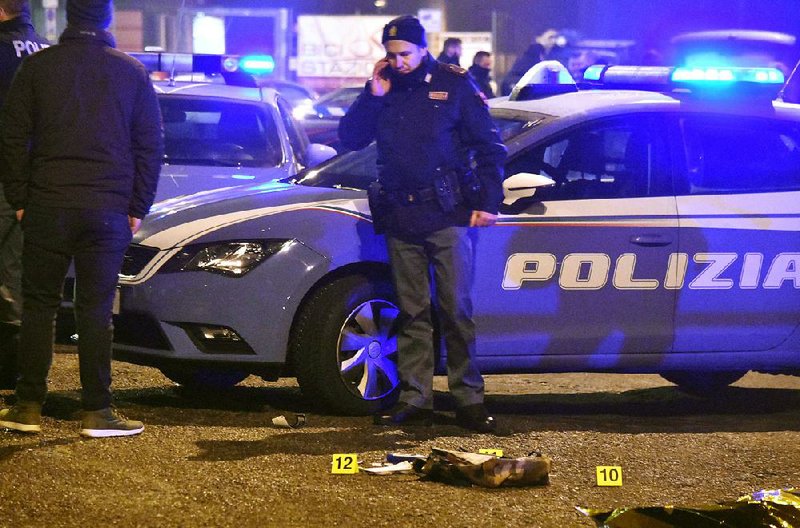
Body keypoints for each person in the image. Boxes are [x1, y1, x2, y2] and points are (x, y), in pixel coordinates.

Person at [0, 0, 163, 437]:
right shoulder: (131, 72)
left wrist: (19, 198)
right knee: (95, 310)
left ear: (70, 17)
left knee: (39, 306)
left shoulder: (38, 67)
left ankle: (28, 406)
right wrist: (136, 207)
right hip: (107, 209)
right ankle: (97, 411)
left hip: (47, 206)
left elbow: (13, 137)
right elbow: (150, 146)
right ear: (107, 19)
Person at [339, 15, 506, 433]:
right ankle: (417, 399)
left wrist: (488, 201)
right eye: (391, 55)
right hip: (401, 216)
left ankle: (469, 399)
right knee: (412, 313)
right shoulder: (385, 89)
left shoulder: (454, 85)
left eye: (405, 54)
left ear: (422, 48)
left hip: (447, 215)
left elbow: (489, 145)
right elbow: (350, 137)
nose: (398, 62)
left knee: (456, 311)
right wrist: (372, 96)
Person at [0, 0, 49, 390]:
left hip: (5, 179)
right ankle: (18, 372)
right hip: (38, 184)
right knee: (18, 277)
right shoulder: (46, 52)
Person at [501, 28, 559, 95]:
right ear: (538, 38)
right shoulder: (531, 56)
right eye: (550, 37)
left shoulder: (548, 55)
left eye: (556, 37)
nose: (554, 41)